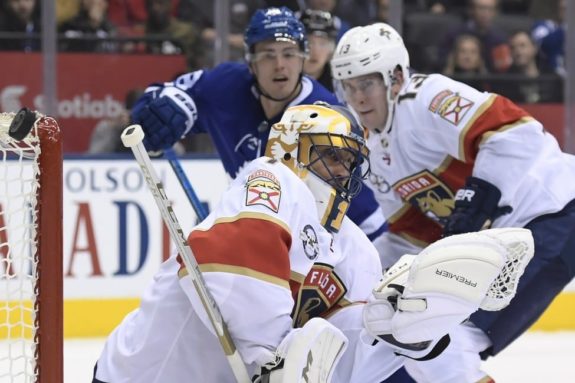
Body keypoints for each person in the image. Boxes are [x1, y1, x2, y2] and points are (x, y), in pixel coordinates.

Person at [93, 103, 530, 382]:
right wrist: (272, 357)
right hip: (145, 373)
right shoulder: (272, 177)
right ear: (290, 149)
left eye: (349, 161)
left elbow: (342, 353)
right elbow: (230, 257)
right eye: (331, 155)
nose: (343, 172)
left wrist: (404, 328)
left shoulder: (355, 248)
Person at [331, 21, 575, 382]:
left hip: (553, 210)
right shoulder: (372, 146)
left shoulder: (426, 97)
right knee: (425, 340)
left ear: (395, 77)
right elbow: (408, 234)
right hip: (514, 238)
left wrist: (474, 204)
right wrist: (352, 271)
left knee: (448, 338)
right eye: (349, 87)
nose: (359, 97)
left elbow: (515, 134)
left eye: (366, 83)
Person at [130, 6, 388, 249]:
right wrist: (160, 114)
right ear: (250, 61)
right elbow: (155, 101)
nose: (279, 65)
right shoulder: (224, 86)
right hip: (253, 233)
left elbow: (368, 219)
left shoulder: (328, 121)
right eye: (268, 55)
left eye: (288, 54)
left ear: (302, 59)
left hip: (313, 247)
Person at [298, 8, 338, 92]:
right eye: (308, 43)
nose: (315, 51)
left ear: (331, 50)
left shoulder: (340, 84)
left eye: (322, 44)